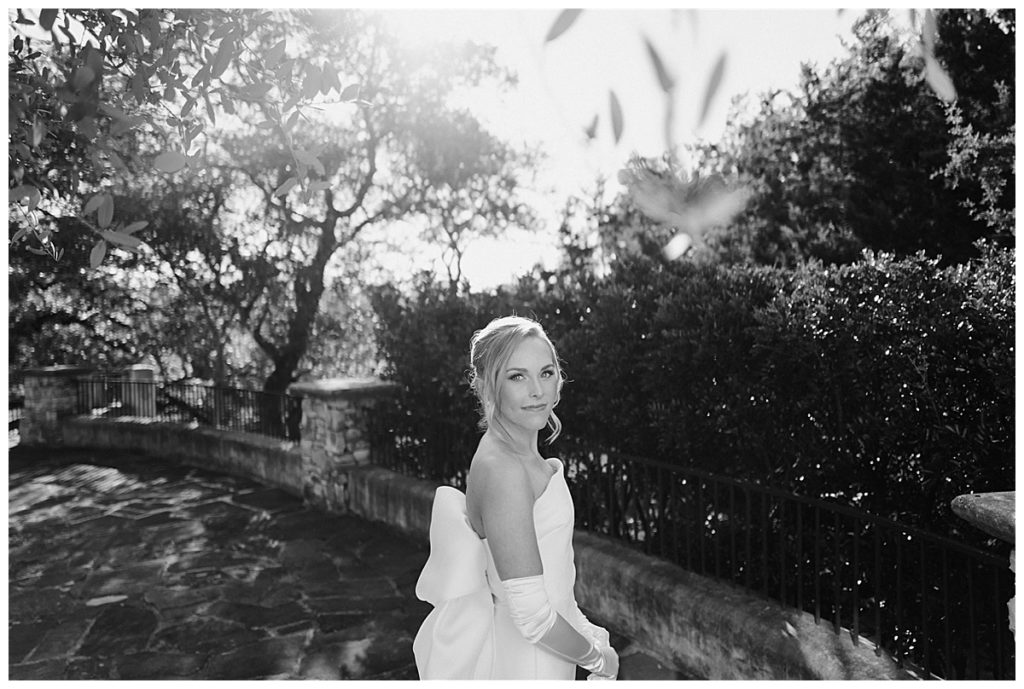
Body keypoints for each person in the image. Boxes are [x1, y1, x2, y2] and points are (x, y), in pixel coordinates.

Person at [413, 315, 620, 680]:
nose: (538, 391)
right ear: (487, 386)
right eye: (516, 376)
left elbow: (556, 581)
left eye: (546, 372)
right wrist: (599, 660)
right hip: (530, 664)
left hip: (553, 650)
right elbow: (533, 617)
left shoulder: (513, 452)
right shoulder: (504, 470)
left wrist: (586, 632)